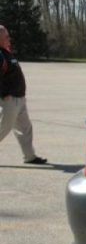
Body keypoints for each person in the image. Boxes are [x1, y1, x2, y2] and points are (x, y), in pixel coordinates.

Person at [0, 25, 47, 164]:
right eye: (6, 36)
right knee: (3, 128)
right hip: (10, 100)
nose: (9, 38)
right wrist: (3, 93)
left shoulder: (6, 52)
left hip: (19, 99)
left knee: (25, 129)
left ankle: (30, 156)